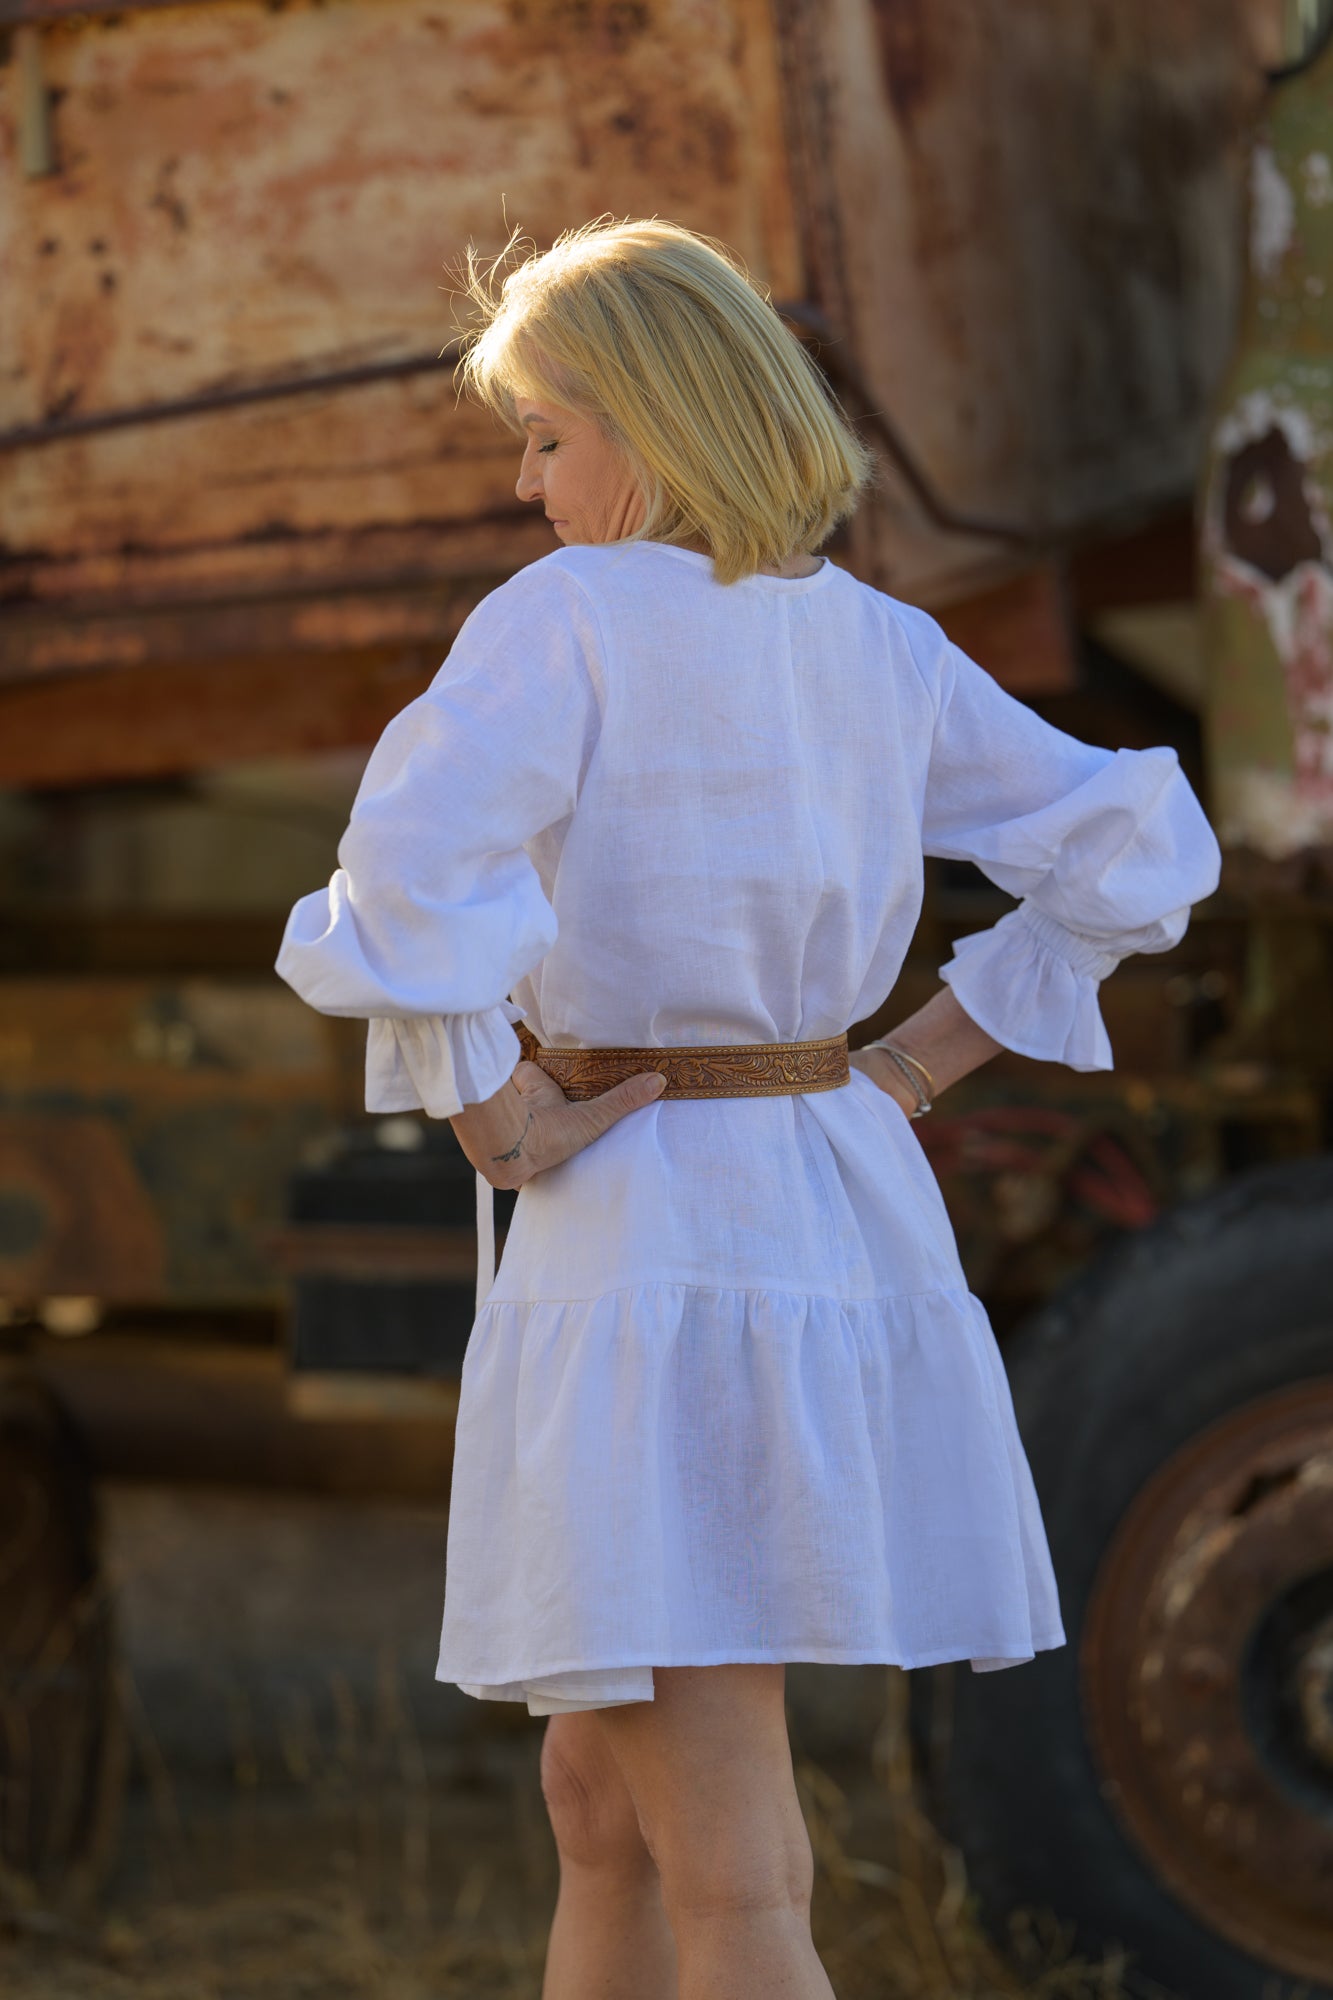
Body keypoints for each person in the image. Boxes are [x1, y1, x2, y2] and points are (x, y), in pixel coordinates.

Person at [275, 218, 1222, 2000]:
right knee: (599, 1802)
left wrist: (487, 1110)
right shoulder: (875, 642)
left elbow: (400, 877)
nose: (527, 485)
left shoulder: (567, 617)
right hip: (820, 1208)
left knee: (731, 1857)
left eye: (546, 437)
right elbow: (1132, 843)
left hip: (652, 1238)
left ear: (653, 424)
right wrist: (913, 1062)